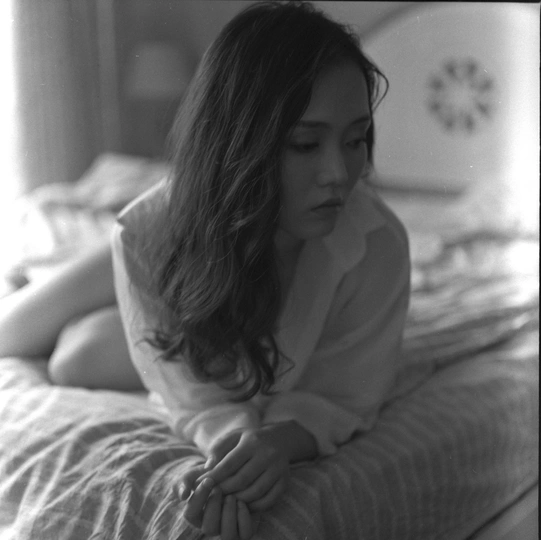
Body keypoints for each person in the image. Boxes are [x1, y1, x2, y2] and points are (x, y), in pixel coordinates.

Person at [0, 2, 410, 538]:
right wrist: (236, 451)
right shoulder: (147, 234)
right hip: (186, 237)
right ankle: (73, 276)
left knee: (74, 358)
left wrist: (265, 449)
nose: (338, 173)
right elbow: (199, 402)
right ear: (241, 139)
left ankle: (99, 287)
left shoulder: (376, 243)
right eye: (305, 144)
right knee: (10, 331)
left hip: (206, 280)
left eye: (355, 140)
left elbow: (345, 395)